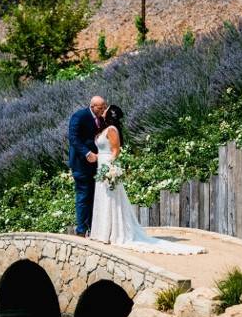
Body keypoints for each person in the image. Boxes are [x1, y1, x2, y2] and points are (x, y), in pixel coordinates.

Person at [89, 105, 205, 255]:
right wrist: (97, 157)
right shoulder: (105, 129)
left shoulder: (112, 130)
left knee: (111, 199)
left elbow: (116, 150)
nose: (103, 111)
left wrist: (110, 168)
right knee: (103, 198)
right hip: (101, 166)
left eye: (106, 109)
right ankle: (102, 232)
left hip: (107, 167)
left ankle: (111, 233)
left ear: (110, 115)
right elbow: (104, 150)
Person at [68, 96, 107, 236]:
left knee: (93, 195)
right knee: (83, 196)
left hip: (96, 164)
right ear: (92, 106)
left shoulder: (101, 118)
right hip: (80, 164)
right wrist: (87, 153)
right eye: (100, 108)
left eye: (104, 107)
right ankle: (81, 230)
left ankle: (92, 228)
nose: (103, 110)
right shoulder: (79, 116)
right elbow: (73, 138)